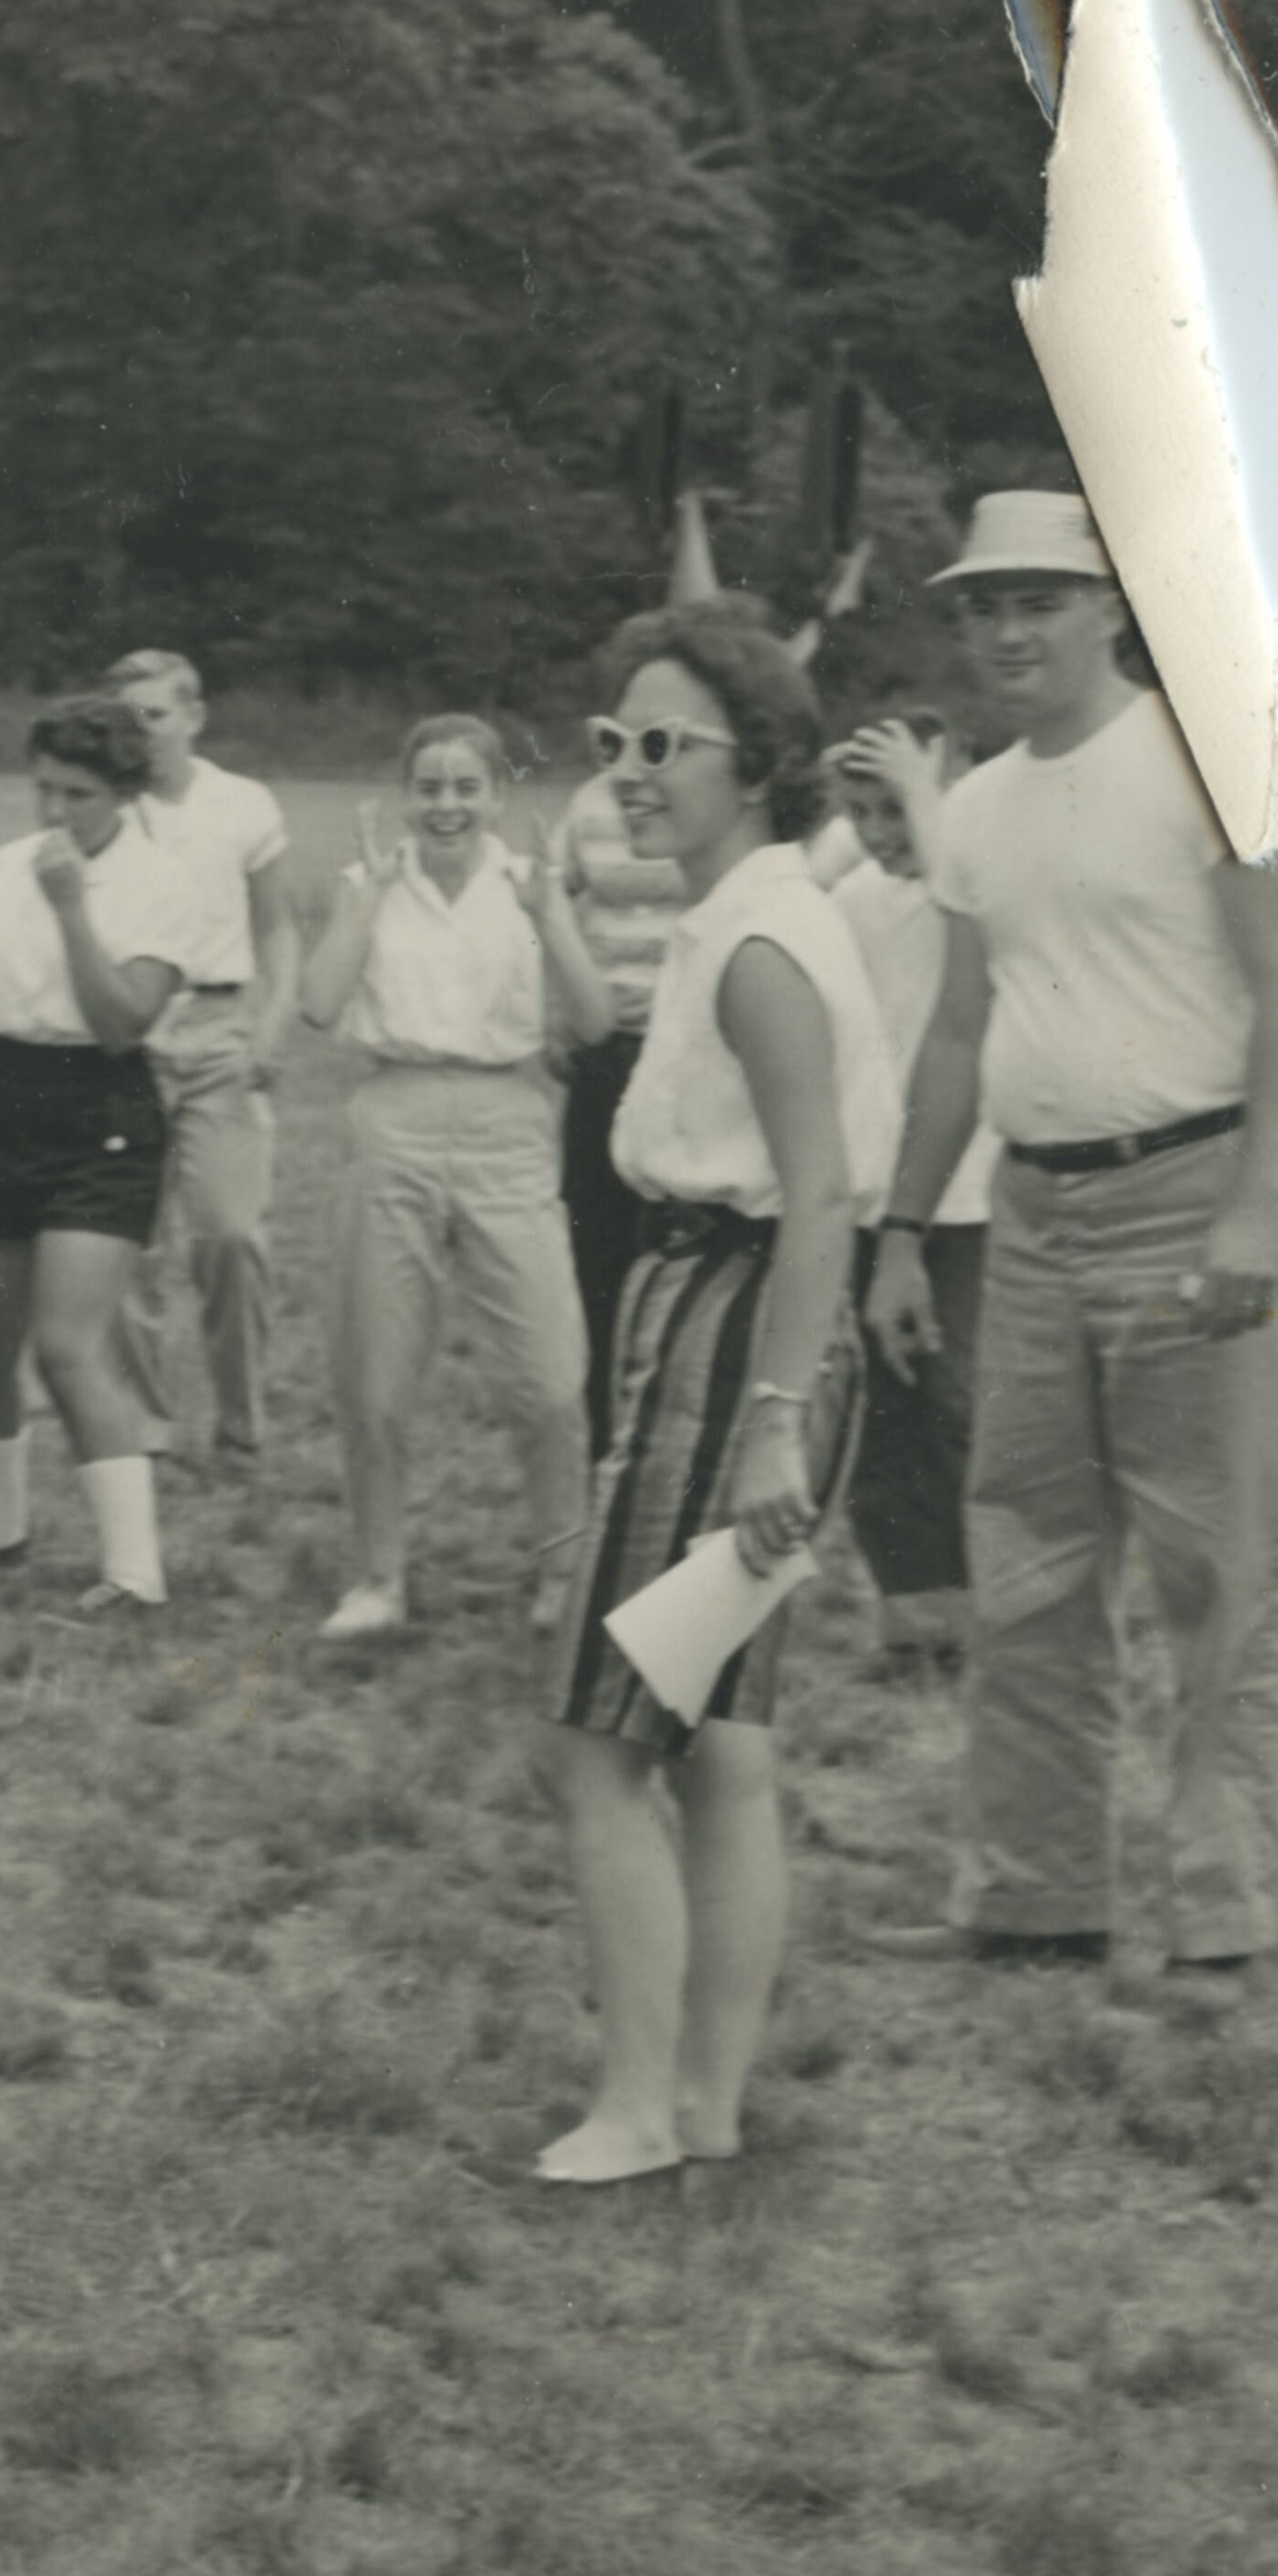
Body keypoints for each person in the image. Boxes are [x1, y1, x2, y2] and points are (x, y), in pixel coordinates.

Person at [859, 491, 1278, 2015]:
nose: (1005, 631)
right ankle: (1031, 1903)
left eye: (1036, 600)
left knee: (1213, 1566)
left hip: (1191, 1193)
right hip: (1029, 1217)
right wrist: (901, 1232)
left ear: (1109, 605)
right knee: (1024, 1556)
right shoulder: (970, 808)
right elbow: (958, 1034)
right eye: (979, 608)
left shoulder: (1203, 756)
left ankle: (1227, 1923)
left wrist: (1255, 1210)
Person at [536, 604, 900, 2182]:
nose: (626, 774)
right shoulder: (734, 913)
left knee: (598, 1742)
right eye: (611, 744)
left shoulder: (756, 940)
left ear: (753, 765)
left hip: (734, 1339)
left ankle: (637, 2106)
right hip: (716, 1318)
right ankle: (699, 2107)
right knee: (720, 1747)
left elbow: (815, 1196)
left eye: (661, 748)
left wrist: (765, 1420)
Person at [294, 714, 604, 1641]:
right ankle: (377, 1578)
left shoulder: (530, 886)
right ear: (404, 796)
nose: (445, 806)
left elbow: (589, 1023)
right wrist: (361, 903)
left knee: (550, 1375)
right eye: (427, 787)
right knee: (375, 1371)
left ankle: (561, 1567)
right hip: (391, 1113)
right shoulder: (367, 883)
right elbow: (314, 1004)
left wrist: (553, 917)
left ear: (496, 796)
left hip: (506, 1119)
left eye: (464, 787)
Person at [0, 696, 233, 1610]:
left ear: (122, 793)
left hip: (99, 1113)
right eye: (42, 791)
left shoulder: (161, 882)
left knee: (65, 1344)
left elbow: (118, 1025)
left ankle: (133, 1574)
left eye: (76, 794)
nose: (54, 813)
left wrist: (69, 905)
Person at [816, 712, 995, 1665]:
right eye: (860, 812)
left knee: (952, 1400)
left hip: (964, 1196)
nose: (880, 832)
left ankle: (972, 1613)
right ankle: (909, 1611)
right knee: (877, 1412)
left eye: (896, 809)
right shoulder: (849, 899)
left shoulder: (968, 884)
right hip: (865, 1192)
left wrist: (928, 799)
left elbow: (966, 897)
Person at [95, 649, 295, 1465]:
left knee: (230, 1235)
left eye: (154, 716)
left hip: (218, 1032)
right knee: (124, 1247)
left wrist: (271, 1023)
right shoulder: (103, 810)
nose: (139, 734)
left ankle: (242, 1427)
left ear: (192, 717)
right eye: (124, 719)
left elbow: (277, 926)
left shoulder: (241, 806)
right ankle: (141, 1430)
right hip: (127, 1039)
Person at [550, 716, 703, 1463]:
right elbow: (548, 899)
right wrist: (557, 1007)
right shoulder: (586, 805)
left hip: (686, 1056)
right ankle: (603, 1462)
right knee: (598, 1270)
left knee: (677, 1265)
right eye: (611, 733)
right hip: (604, 1056)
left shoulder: (702, 804)